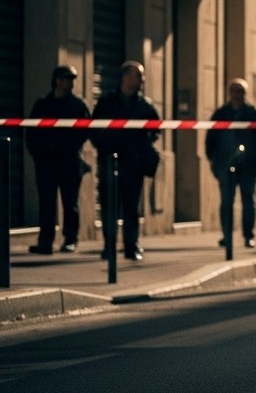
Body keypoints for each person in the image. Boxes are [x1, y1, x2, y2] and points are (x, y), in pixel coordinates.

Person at [90, 61, 162, 261]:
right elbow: (93, 127)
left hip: (133, 163)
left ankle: (132, 246)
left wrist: (143, 145)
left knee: (131, 207)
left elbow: (156, 130)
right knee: (109, 206)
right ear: (126, 77)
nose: (142, 80)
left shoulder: (145, 105)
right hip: (109, 161)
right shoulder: (107, 102)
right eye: (138, 75)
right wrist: (103, 146)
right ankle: (109, 246)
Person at [26, 64, 91, 254]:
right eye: (66, 79)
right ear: (57, 81)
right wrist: (38, 154)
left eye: (72, 79)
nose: (70, 83)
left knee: (70, 203)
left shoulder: (78, 105)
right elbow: (31, 131)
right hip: (46, 162)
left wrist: (71, 146)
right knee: (46, 203)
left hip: (69, 160)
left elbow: (86, 129)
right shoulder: (43, 103)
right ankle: (45, 241)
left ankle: (70, 239)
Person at [207, 78, 256, 249]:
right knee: (227, 201)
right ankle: (227, 235)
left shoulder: (255, 114)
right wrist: (212, 160)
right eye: (234, 91)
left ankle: (248, 235)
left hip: (248, 165)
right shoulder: (221, 114)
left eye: (241, 91)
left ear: (246, 93)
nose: (237, 95)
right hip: (225, 163)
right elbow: (211, 138)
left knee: (248, 201)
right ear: (229, 93)